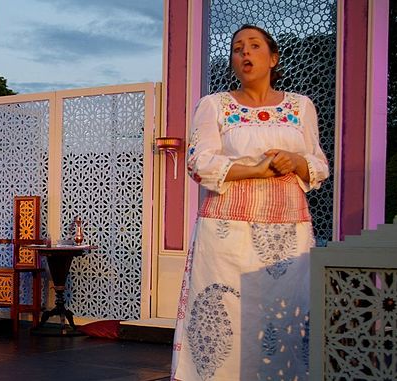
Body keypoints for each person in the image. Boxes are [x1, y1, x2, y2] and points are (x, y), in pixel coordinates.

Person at [170, 24, 329, 380]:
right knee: (224, 319)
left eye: (254, 46)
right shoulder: (213, 105)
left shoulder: (301, 107)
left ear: (272, 58)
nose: (245, 53)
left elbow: (319, 164)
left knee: (285, 317)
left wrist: (296, 160)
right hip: (226, 234)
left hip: (288, 235)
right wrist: (255, 168)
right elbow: (199, 162)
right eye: (237, 48)